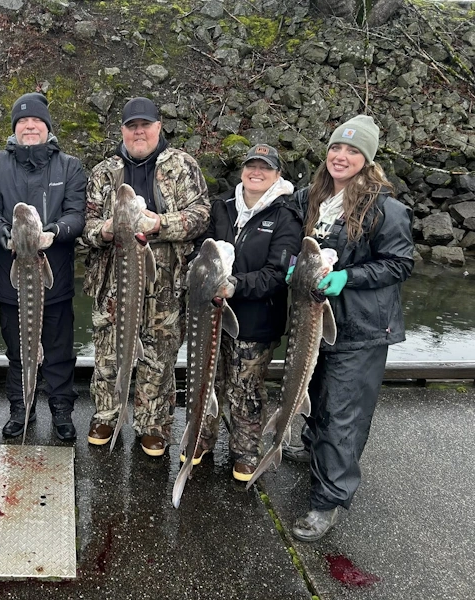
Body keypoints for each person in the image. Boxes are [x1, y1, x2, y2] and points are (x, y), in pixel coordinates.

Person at [285, 115, 414, 541]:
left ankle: (328, 501)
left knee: (343, 414)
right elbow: (284, 229)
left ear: (367, 159)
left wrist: (348, 278)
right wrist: (290, 265)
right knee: (316, 390)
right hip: (317, 320)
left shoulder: (385, 207)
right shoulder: (312, 196)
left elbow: (399, 263)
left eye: (353, 151)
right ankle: (309, 446)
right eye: (337, 148)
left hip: (361, 328)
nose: (342, 157)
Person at [81, 97, 211, 456]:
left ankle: (152, 425)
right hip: (112, 283)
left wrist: (160, 223)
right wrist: (104, 231)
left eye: (145, 125)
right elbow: (85, 227)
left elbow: (201, 215)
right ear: (122, 131)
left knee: (159, 357)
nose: (139, 132)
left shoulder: (183, 165)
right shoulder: (104, 172)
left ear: (158, 127)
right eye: (131, 126)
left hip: (166, 286)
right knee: (108, 355)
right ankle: (107, 415)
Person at [0, 92, 86, 441]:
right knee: (17, 349)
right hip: (12, 281)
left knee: (58, 350)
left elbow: (76, 215)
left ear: (47, 126)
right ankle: (22, 408)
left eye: (35, 121)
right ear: (15, 129)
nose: (29, 126)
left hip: (56, 278)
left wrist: (54, 232)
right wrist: (5, 233)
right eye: (22, 122)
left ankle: (61, 409)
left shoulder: (69, 166)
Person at [193, 144, 302, 480]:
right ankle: (201, 438)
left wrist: (235, 286)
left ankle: (245, 451)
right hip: (214, 315)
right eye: (251, 166)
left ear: (277, 174)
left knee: (246, 388)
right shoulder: (222, 204)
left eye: (265, 168)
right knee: (209, 379)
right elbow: (204, 245)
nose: (256, 172)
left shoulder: (286, 215)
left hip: (256, 320)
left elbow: (279, 273)